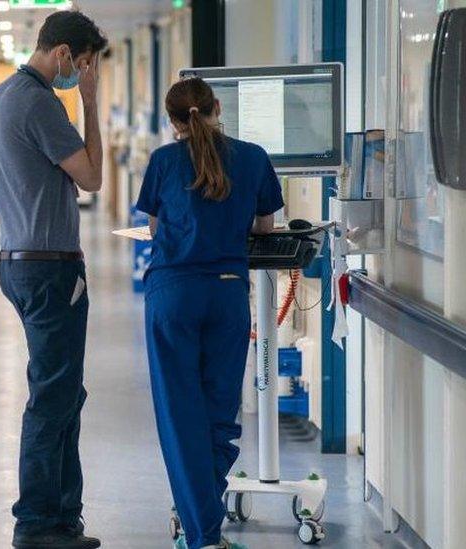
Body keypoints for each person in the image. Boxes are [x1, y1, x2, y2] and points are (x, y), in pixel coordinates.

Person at [136, 77, 284, 549]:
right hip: (226, 295)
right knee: (219, 413)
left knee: (180, 415)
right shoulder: (255, 157)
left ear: (173, 120)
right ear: (218, 107)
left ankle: (201, 531)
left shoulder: (162, 161)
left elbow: (156, 227)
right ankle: (203, 518)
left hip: (173, 296)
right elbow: (265, 226)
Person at [0, 9, 107, 549]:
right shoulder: (39, 101)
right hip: (50, 267)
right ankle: (37, 522)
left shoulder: (1, 97)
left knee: (60, 394)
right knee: (53, 399)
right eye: (82, 65)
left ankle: (60, 516)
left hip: (19, 259)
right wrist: (91, 102)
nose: (81, 74)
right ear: (62, 55)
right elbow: (94, 176)